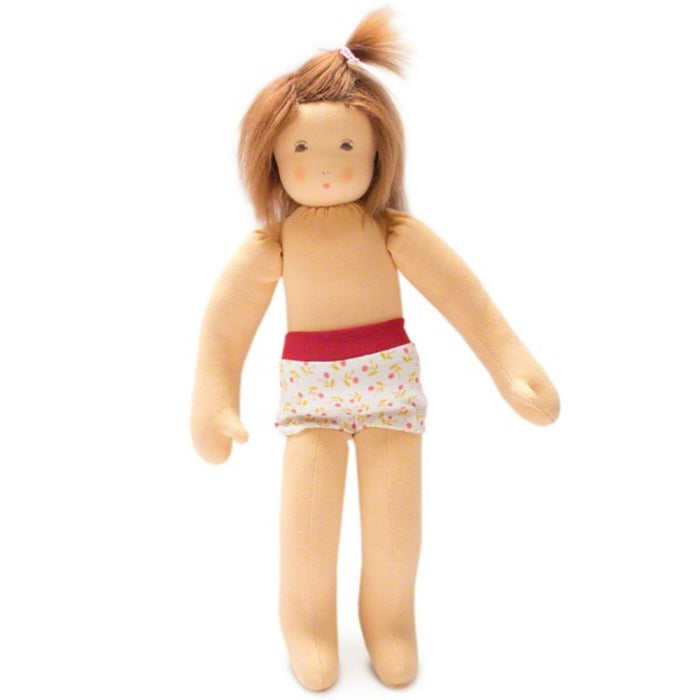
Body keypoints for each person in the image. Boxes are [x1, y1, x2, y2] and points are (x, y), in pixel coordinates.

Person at [190, 6, 560, 691]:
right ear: (273, 158)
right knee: (307, 534)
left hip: (391, 394)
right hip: (312, 402)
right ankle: (307, 627)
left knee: (396, 532)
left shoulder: (395, 232)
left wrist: (512, 366)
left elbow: (466, 301)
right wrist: (214, 403)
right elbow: (225, 329)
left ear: (377, 154)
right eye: (303, 150)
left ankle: (390, 623)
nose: (327, 167)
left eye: (345, 147)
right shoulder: (273, 244)